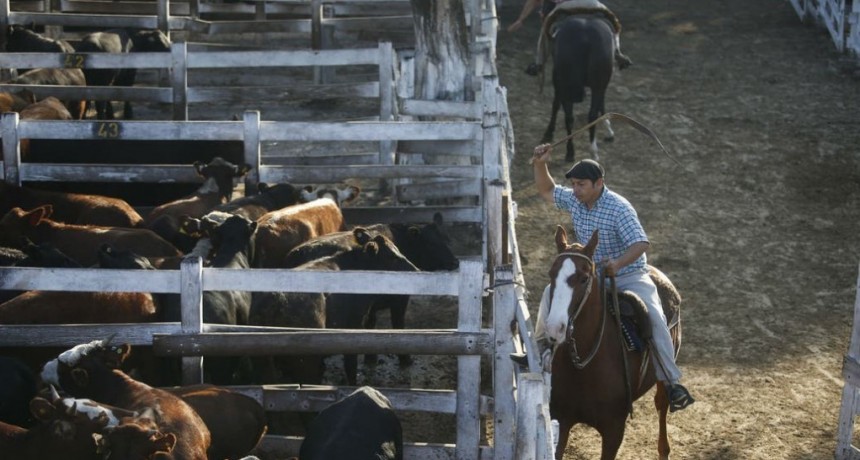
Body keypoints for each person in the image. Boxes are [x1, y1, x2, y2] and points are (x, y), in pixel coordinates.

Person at [529, 143, 694, 412]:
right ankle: (538, 351)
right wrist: (540, 164)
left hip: (629, 275)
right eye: (574, 184)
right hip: (592, 275)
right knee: (551, 292)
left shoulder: (619, 208)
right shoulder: (576, 200)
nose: (575, 189)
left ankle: (671, 381)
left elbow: (641, 243)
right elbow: (547, 190)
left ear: (598, 183)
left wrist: (617, 264)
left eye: (581, 184)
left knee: (654, 315)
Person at [507, 0, 633, 76]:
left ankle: (539, 63)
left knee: (545, 31)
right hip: (591, 3)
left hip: (565, 6)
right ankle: (617, 53)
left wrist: (520, 19)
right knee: (614, 24)